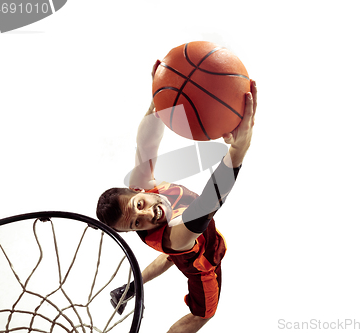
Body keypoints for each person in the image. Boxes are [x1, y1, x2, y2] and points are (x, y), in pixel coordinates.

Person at [96, 63, 257, 333]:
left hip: (176, 244)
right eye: (137, 223)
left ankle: (129, 288)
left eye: (139, 206)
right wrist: (238, 150)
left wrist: (158, 104)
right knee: (202, 313)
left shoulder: (141, 185)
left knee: (171, 256)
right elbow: (210, 200)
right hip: (199, 260)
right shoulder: (177, 235)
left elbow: (145, 145)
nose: (148, 215)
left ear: (138, 191)